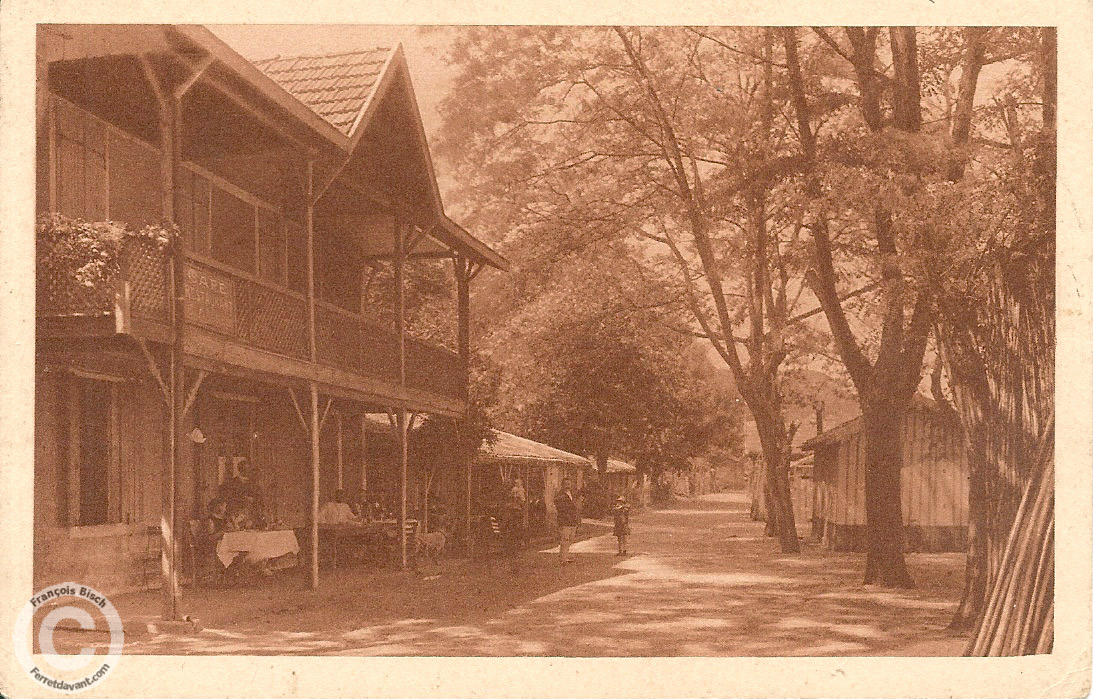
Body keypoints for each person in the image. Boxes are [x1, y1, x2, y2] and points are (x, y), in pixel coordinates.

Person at [499, 491, 526, 574]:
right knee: (514, 550)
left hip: (513, 531)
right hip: (513, 531)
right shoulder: (513, 509)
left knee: (512, 550)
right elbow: (506, 520)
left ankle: (513, 566)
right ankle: (514, 567)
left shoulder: (511, 509)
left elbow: (505, 521)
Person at [555, 477, 580, 565]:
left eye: (569, 484)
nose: (567, 485)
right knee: (565, 539)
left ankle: (565, 555)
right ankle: (563, 559)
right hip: (565, 520)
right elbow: (560, 507)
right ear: (562, 485)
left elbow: (575, 506)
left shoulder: (572, 494)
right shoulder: (560, 495)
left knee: (571, 539)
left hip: (573, 520)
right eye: (566, 484)